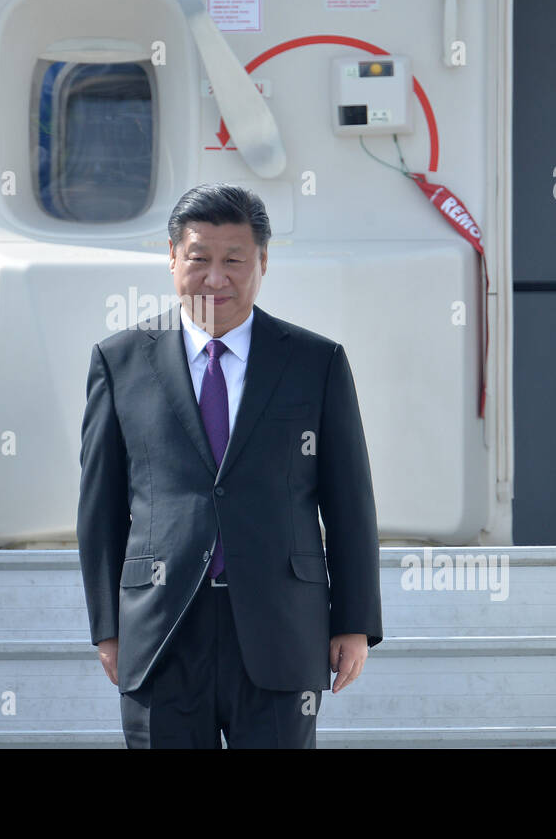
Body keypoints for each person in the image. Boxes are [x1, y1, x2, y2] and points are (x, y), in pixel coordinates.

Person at [76, 182, 382, 748]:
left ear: (263, 262)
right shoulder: (119, 362)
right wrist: (108, 627)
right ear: (172, 258)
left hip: (280, 628)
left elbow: (349, 503)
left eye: (234, 260)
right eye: (199, 259)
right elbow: (101, 509)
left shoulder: (315, 362)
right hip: (162, 629)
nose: (215, 278)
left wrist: (354, 621)